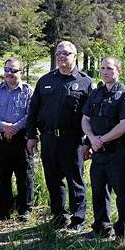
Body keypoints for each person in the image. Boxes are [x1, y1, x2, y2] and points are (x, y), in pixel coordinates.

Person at [26, 41, 93, 231]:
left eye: (66, 53)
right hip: (48, 139)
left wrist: (88, 142)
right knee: (53, 179)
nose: (61, 56)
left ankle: (78, 219)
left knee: (75, 180)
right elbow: (33, 110)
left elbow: (91, 117)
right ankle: (58, 215)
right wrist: (31, 135)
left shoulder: (85, 82)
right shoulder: (45, 81)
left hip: (73, 140)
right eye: (58, 54)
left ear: (75, 56)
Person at [81, 56, 125, 239]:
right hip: (99, 152)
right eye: (103, 68)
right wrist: (90, 140)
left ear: (119, 71)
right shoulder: (96, 93)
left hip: (118, 153)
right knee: (98, 191)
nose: (105, 72)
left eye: (110, 69)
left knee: (122, 193)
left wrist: (101, 140)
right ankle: (101, 227)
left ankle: (123, 230)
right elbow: (85, 120)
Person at [0, 58, 34, 222]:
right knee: (2, 176)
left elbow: (31, 115)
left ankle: (24, 209)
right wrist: (4, 126)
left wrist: (15, 127)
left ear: (21, 72)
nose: (9, 73)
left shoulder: (28, 91)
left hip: (22, 139)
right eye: (7, 69)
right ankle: (2, 211)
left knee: (24, 175)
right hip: (2, 140)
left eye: (13, 70)